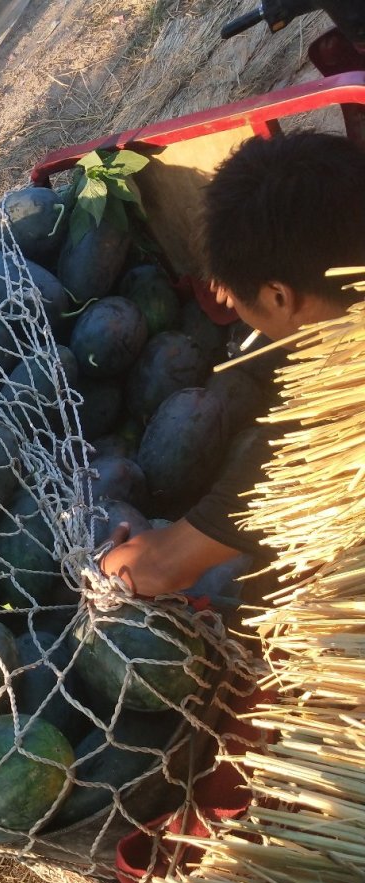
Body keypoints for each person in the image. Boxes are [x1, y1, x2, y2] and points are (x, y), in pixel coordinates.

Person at [100, 130, 365, 597]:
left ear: (279, 295)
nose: (229, 300)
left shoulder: (325, 440)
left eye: (240, 295)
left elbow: (158, 568)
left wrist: (116, 561)